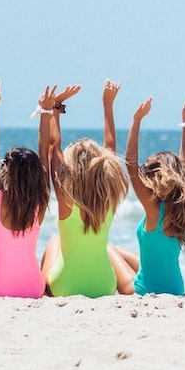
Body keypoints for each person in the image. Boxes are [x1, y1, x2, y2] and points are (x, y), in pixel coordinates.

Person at [0, 79, 73, 298]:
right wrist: (45, 112)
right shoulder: (40, 201)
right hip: (34, 289)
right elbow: (44, 151)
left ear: (6, 171)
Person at [41, 79, 130, 298]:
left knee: (54, 240)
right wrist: (108, 105)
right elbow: (110, 148)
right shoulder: (109, 196)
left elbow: (53, 148)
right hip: (105, 285)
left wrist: (56, 108)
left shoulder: (65, 197)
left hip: (65, 286)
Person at [113, 96, 185, 296]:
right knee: (121, 251)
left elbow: (130, 162)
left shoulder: (153, 207)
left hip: (145, 290)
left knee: (108, 250)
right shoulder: (181, 207)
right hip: (176, 288)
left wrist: (136, 120)